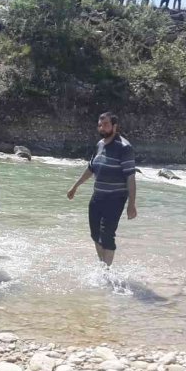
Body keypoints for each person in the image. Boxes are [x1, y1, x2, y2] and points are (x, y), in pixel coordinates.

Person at [66, 113, 138, 267]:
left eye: (105, 124)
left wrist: (132, 204)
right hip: (98, 196)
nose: (102, 127)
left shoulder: (124, 147)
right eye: (100, 124)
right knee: (95, 234)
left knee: (107, 236)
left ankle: (106, 270)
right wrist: (75, 186)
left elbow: (131, 178)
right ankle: (102, 266)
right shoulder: (99, 144)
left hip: (115, 198)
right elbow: (91, 169)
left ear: (114, 126)